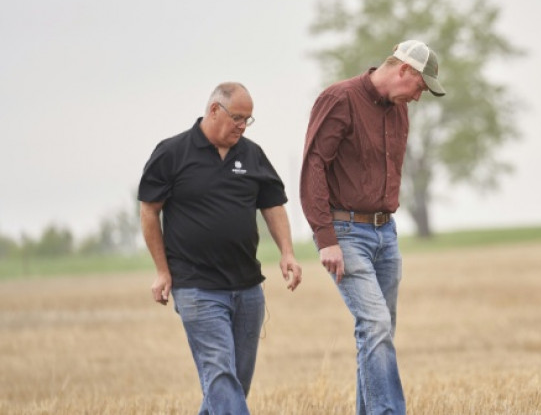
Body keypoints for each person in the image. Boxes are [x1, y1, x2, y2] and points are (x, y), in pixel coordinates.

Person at [138, 82, 303, 415]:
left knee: (234, 383)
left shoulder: (252, 154)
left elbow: (272, 205)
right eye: (238, 118)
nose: (242, 126)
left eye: (248, 120)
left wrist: (287, 252)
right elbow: (149, 210)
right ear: (214, 110)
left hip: (247, 287)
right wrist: (161, 270)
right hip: (197, 287)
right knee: (220, 374)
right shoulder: (172, 153)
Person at [300, 40, 445, 415]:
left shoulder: (399, 111)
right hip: (345, 233)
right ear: (404, 71)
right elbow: (314, 166)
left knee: (379, 333)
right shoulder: (339, 99)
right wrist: (325, 238)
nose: (419, 97)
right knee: (376, 324)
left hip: (386, 234)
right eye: (420, 87)